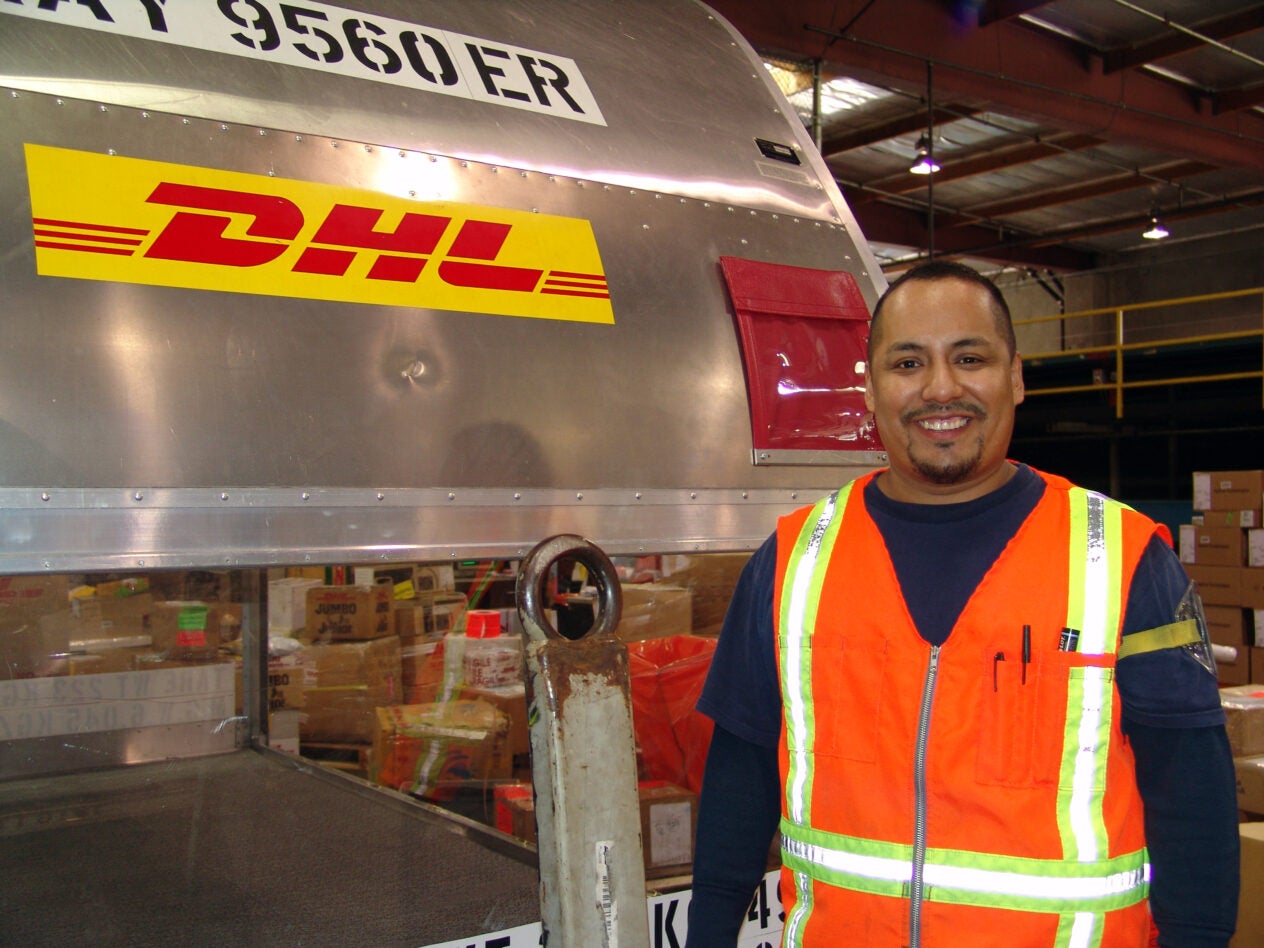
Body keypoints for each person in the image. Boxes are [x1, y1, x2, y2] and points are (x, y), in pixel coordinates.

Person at [687, 260, 1239, 947]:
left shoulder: (1123, 560)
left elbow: (1193, 803)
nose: (940, 388)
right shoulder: (795, 560)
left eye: (969, 358)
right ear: (870, 389)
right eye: (908, 362)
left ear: (1015, 377)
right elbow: (741, 779)